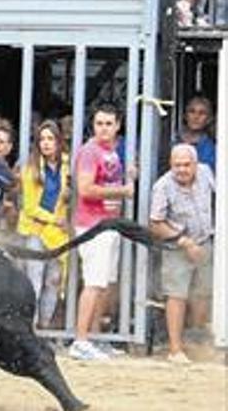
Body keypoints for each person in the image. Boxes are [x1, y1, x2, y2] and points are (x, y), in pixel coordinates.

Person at [68, 104, 135, 361]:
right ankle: (81, 340)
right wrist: (123, 191)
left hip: (108, 224)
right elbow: (85, 189)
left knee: (104, 284)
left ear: (118, 125)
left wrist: (127, 178)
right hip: (94, 225)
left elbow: (107, 181)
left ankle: (93, 339)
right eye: (99, 123)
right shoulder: (89, 151)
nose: (103, 128)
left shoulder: (111, 152)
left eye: (108, 123)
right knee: (94, 283)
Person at [149, 144, 215, 364]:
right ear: (170, 165)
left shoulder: (206, 173)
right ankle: (175, 350)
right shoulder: (163, 186)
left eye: (186, 165)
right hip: (177, 246)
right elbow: (156, 224)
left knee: (204, 294)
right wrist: (184, 242)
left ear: (195, 164)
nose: (182, 170)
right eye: (177, 165)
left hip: (205, 240)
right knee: (176, 296)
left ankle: (197, 342)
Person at [16, 120, 71, 329]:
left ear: (58, 142)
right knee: (35, 280)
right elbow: (29, 208)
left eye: (50, 139)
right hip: (35, 230)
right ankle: (29, 326)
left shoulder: (67, 165)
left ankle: (44, 326)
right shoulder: (30, 169)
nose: (46, 144)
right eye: (42, 139)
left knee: (54, 282)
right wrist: (54, 219)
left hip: (57, 233)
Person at [177, 96, 216, 174]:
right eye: (192, 111)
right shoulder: (174, 140)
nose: (196, 117)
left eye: (202, 113)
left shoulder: (211, 148)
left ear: (209, 119)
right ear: (185, 115)